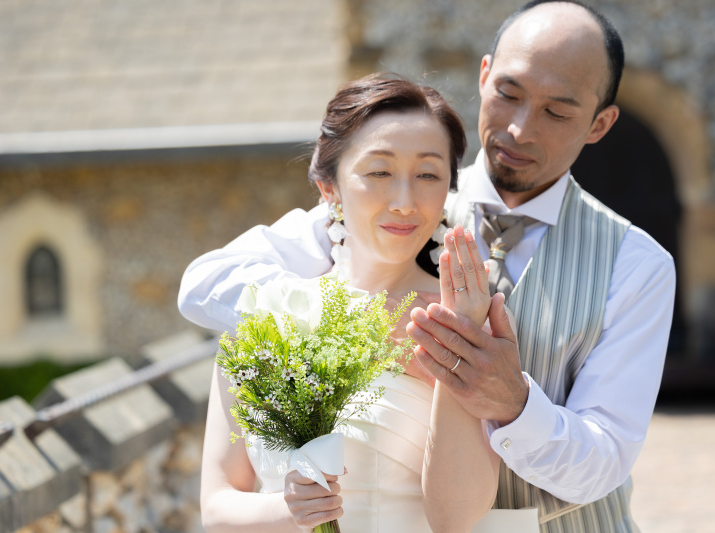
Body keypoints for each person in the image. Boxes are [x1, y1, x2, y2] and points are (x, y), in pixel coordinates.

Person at [182, 1, 676, 531]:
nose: (519, 128)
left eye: (557, 112)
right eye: (508, 94)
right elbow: (206, 285)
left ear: (600, 124)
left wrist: (513, 402)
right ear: (484, 77)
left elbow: (602, 461)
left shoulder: (636, 264)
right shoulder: (393, 210)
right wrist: (367, 323)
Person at [197, 73, 513, 532]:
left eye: (428, 174)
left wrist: (458, 345)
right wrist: (289, 510)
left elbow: (457, 517)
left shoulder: (465, 318)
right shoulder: (268, 311)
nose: (405, 202)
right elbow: (217, 507)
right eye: (379, 172)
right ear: (330, 188)